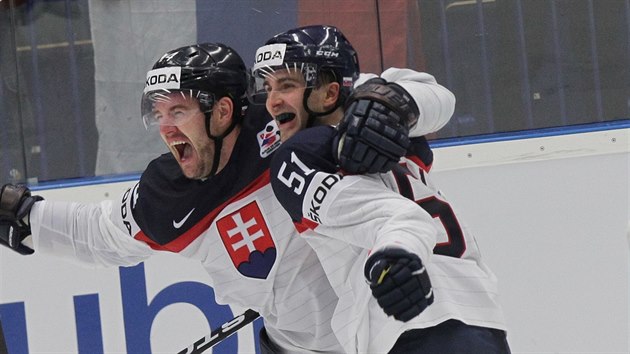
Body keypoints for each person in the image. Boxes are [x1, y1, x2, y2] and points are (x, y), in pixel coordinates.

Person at [0, 41, 452, 353]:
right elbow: (99, 234)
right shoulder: (168, 191)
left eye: (178, 110)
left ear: (222, 111)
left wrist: (390, 103)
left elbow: (429, 94)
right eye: (159, 113)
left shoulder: (286, 116)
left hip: (396, 331)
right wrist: (21, 213)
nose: (166, 127)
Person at [250, 25, 511, 353]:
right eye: (268, 86)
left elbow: (402, 219)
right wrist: (388, 102)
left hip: (405, 324)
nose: (272, 102)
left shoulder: (299, 154)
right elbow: (432, 96)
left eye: (286, 85)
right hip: (479, 314)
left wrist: (395, 253)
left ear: (329, 94)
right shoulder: (401, 140)